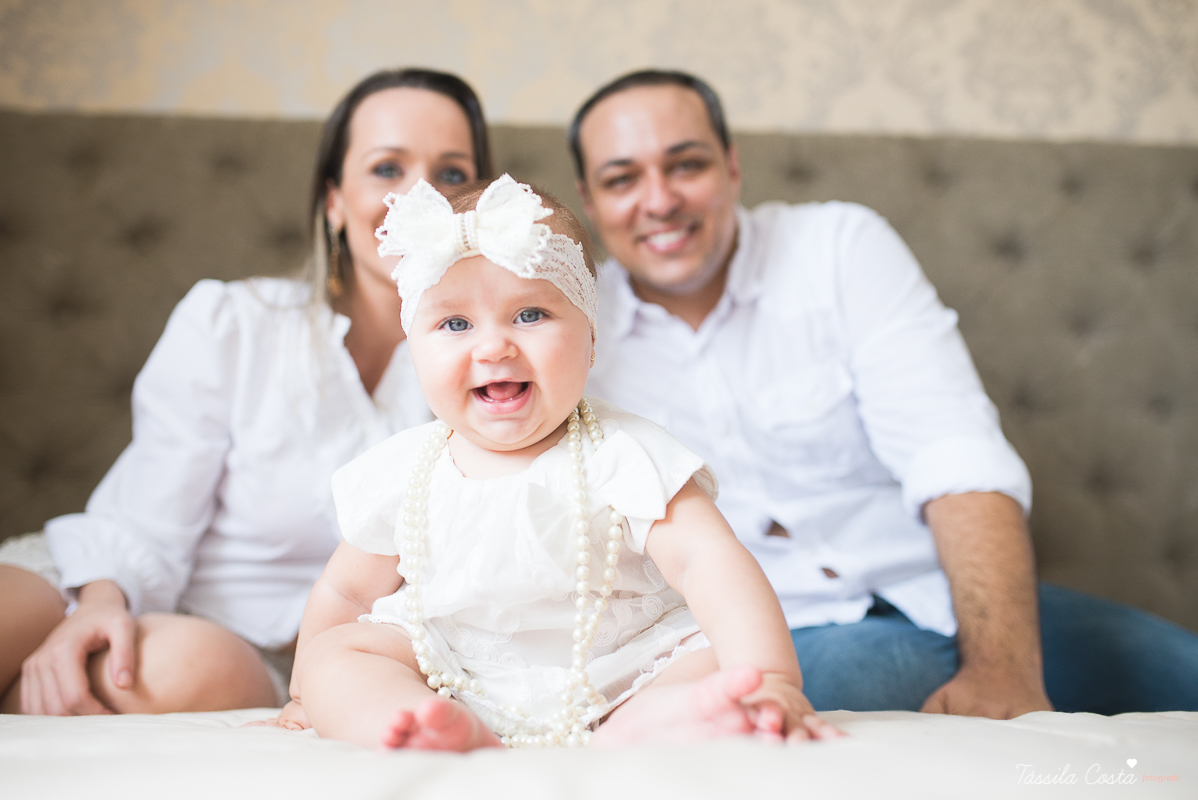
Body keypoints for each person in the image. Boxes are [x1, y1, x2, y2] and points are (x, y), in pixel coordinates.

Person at [570, 69, 1198, 717]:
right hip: (783, 632)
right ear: (590, 202)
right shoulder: (575, 333)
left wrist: (1004, 669)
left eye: (686, 164)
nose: (660, 200)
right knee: (883, 673)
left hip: (948, 592)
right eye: (622, 179)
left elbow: (955, 453)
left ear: (731, 167)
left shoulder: (839, 247)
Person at [284, 175, 841, 751]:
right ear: (414, 349)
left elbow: (709, 562)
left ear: (592, 340)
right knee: (338, 654)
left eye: (530, 315)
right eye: (455, 324)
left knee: (707, 659)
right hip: (450, 671)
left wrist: (772, 677)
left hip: (621, 671)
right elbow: (347, 594)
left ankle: (651, 723)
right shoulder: (408, 470)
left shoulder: (624, 452)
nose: (493, 347)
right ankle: (413, 720)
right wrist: (306, 693)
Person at [0, 68, 493, 716]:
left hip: (255, 645)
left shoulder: (504, 365)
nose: (421, 196)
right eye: (386, 168)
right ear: (334, 202)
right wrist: (99, 602)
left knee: (173, 668)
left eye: (452, 174)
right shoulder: (233, 322)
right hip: (113, 568)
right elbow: (145, 517)